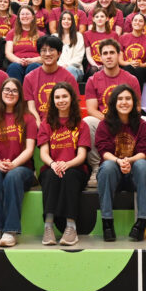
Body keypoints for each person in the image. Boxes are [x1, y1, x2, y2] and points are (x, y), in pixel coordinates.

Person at [0, 78, 38, 247]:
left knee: (13, 176)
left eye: (14, 91)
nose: (10, 93)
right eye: (6, 89)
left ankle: (10, 231)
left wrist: (13, 164)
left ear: (20, 95)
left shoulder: (28, 118)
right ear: (1, 92)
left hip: (22, 168)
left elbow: (29, 149)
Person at [95, 85, 146, 241]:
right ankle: (107, 223)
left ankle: (142, 222)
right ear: (114, 102)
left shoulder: (142, 124)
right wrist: (119, 161)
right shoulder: (104, 124)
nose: (124, 102)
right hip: (113, 174)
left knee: (142, 165)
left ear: (133, 103)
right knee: (107, 166)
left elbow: (145, 150)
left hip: (135, 174)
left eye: (128, 99)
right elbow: (103, 150)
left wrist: (129, 160)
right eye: (120, 99)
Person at [37, 82, 90, 246]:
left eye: (64, 96)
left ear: (72, 98)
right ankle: (48, 227)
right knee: (51, 175)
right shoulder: (46, 124)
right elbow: (44, 153)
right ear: (52, 101)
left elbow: (81, 155)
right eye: (57, 97)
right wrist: (54, 164)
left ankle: (71, 227)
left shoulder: (82, 124)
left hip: (75, 168)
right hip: (52, 167)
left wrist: (66, 164)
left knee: (70, 176)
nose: (61, 100)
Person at [84, 39, 141, 187]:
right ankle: (97, 168)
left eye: (112, 53)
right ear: (100, 57)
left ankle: (136, 164)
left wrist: (122, 120)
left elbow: (137, 109)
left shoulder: (131, 79)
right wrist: (110, 121)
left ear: (118, 55)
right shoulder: (92, 80)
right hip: (105, 121)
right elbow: (91, 109)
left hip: (127, 121)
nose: (108, 56)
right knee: (88, 122)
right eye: (105, 53)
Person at [24, 35, 80, 124]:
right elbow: (31, 108)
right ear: (39, 53)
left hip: (63, 124)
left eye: (51, 50)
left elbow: (74, 106)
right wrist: (39, 124)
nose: (47, 54)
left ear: (59, 53)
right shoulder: (29, 78)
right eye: (43, 50)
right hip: (38, 124)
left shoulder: (68, 77)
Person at [5, 6, 44, 82]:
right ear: (19, 17)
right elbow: (8, 53)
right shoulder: (11, 33)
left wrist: (32, 60)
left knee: (33, 67)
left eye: (27, 14)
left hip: (34, 63)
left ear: (33, 17)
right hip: (17, 62)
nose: (25, 16)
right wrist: (18, 60)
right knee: (14, 67)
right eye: (22, 14)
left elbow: (44, 56)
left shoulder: (41, 35)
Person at [119, 13, 146, 90]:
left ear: (144, 24)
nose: (137, 22)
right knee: (128, 68)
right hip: (127, 67)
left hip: (142, 70)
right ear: (132, 22)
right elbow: (120, 61)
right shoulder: (122, 38)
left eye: (140, 21)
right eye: (135, 20)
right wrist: (130, 63)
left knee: (139, 70)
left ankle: (138, 96)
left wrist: (140, 64)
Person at [84, 8, 119, 79]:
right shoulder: (87, 34)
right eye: (97, 17)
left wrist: (107, 65)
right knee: (94, 70)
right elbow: (88, 55)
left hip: (109, 64)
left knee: (105, 69)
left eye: (102, 16)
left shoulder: (114, 35)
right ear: (93, 19)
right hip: (93, 65)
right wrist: (96, 65)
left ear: (107, 19)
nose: (99, 19)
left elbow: (116, 54)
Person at [54, 11, 86, 81]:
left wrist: (67, 65)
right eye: (64, 19)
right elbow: (52, 57)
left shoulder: (78, 36)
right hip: (58, 69)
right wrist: (61, 67)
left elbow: (79, 57)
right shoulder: (54, 37)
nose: (66, 21)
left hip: (76, 69)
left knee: (70, 69)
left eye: (69, 19)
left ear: (72, 22)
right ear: (60, 21)